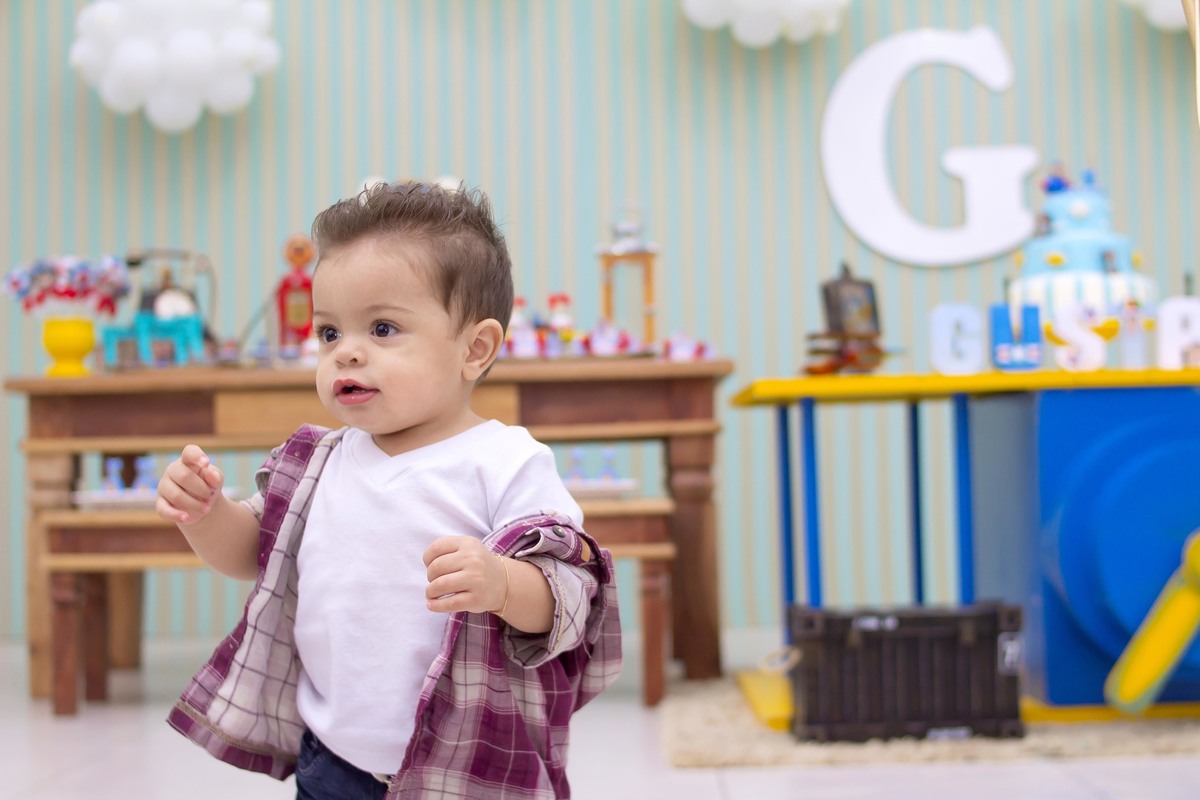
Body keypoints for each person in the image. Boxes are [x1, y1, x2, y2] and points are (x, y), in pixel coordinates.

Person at [156, 181, 621, 799]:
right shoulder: (317, 462)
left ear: (474, 348)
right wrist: (204, 512)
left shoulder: (504, 462)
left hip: (466, 771)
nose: (346, 353)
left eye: (381, 328)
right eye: (329, 333)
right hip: (333, 763)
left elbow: (571, 597)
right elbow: (251, 553)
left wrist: (503, 582)